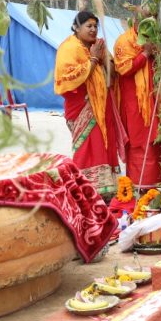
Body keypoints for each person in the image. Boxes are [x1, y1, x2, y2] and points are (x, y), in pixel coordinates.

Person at [54, 10, 124, 198]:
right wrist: (93, 59)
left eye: (95, 26)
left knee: (104, 145)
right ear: (76, 28)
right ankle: (85, 190)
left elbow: (113, 75)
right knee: (87, 148)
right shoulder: (68, 48)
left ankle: (107, 190)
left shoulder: (99, 45)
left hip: (102, 105)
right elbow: (67, 80)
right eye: (89, 26)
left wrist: (104, 59)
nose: (93, 30)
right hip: (82, 107)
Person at [113, 10, 161, 189]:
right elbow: (124, 69)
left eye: (152, 21)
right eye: (144, 21)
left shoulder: (156, 38)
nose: (148, 25)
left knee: (156, 140)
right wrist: (145, 54)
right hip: (134, 102)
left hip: (155, 98)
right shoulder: (124, 41)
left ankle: (156, 184)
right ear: (135, 21)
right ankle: (139, 185)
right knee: (138, 142)